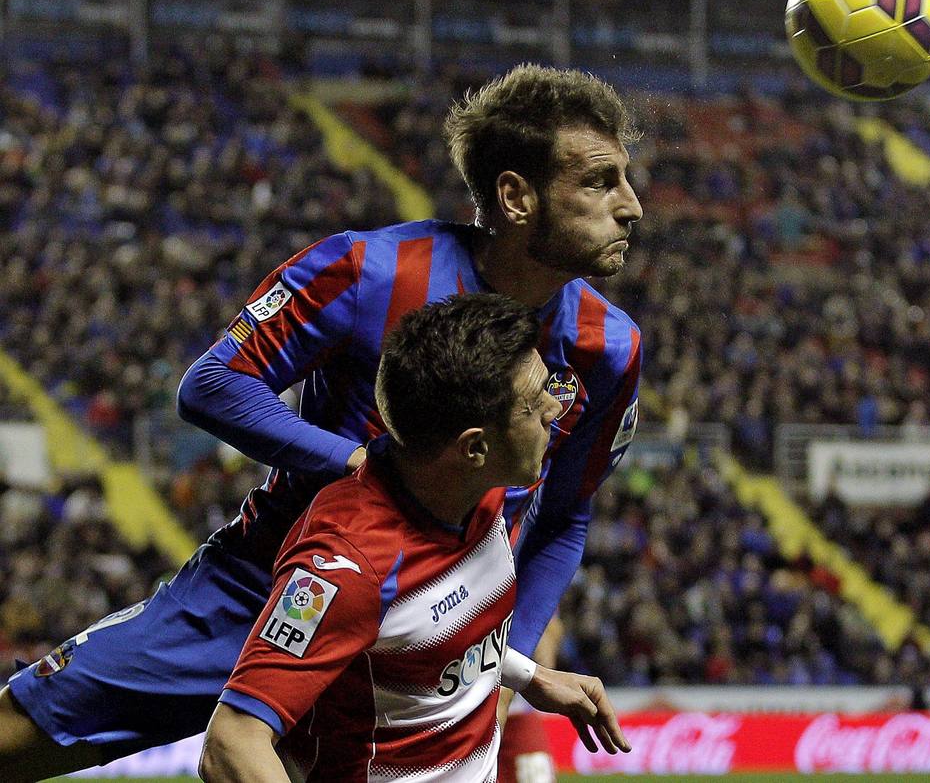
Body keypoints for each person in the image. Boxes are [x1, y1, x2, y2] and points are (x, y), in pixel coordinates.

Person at [0, 64, 644, 781]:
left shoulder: (609, 348)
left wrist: (505, 658)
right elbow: (214, 383)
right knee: (20, 736)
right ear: (516, 196)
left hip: (432, 635)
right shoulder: (370, 270)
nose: (631, 206)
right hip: (270, 585)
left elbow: (565, 514)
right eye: (599, 181)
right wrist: (355, 466)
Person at [199, 293, 629, 781]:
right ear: (476, 447)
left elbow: (417, 635)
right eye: (534, 405)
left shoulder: (477, 491)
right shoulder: (348, 564)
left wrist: (530, 677)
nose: (556, 408)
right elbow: (231, 743)